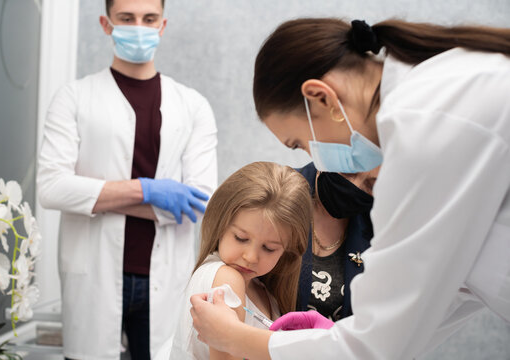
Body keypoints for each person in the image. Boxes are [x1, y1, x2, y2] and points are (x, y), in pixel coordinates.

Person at [189, 17, 510, 359]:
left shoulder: (424, 124)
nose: (315, 160)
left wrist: (235, 338)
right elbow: (427, 310)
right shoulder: (440, 89)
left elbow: (377, 343)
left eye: (299, 143)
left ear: (320, 97)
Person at [37, 0, 218, 358]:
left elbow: (199, 202)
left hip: (163, 279)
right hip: (94, 276)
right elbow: (52, 188)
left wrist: (99, 199)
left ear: (162, 25)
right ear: (107, 24)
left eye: (149, 19)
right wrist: (147, 190)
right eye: (127, 18)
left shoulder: (193, 106)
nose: (139, 27)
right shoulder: (74, 98)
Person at [169, 161, 312, 359]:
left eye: (269, 248)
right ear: (220, 224)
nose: (250, 257)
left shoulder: (264, 292)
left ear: (287, 251)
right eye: (241, 238)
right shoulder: (227, 279)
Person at [296, 163, 378, 321]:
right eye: (349, 171)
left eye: (371, 185)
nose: (355, 186)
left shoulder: (378, 228)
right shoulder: (276, 189)